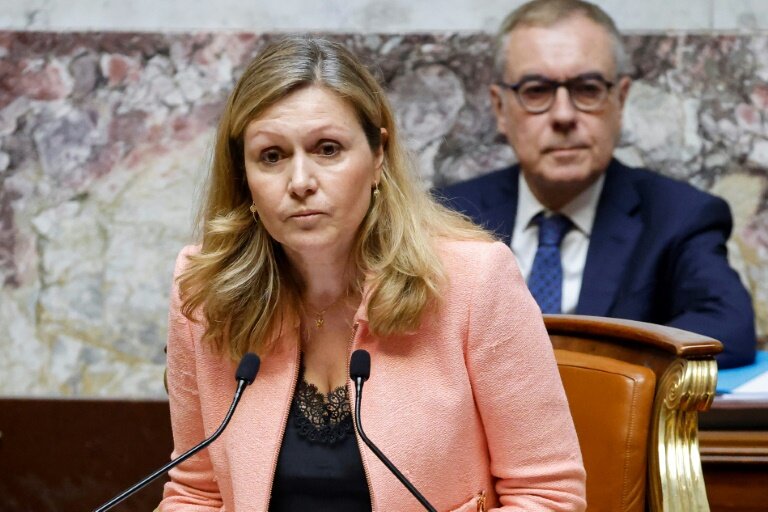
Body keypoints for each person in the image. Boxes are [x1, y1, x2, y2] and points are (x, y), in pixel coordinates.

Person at [159, 37, 586, 511]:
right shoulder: (205, 293)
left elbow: (548, 496)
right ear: (244, 177)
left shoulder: (475, 282)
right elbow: (196, 494)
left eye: (327, 149)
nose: (300, 182)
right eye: (272, 156)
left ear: (377, 156)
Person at [439, 0, 756, 369]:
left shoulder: (679, 216)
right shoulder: (450, 218)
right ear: (499, 109)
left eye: (587, 89)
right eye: (536, 90)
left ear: (620, 100)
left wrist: (586, 371)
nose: (563, 115)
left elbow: (728, 328)